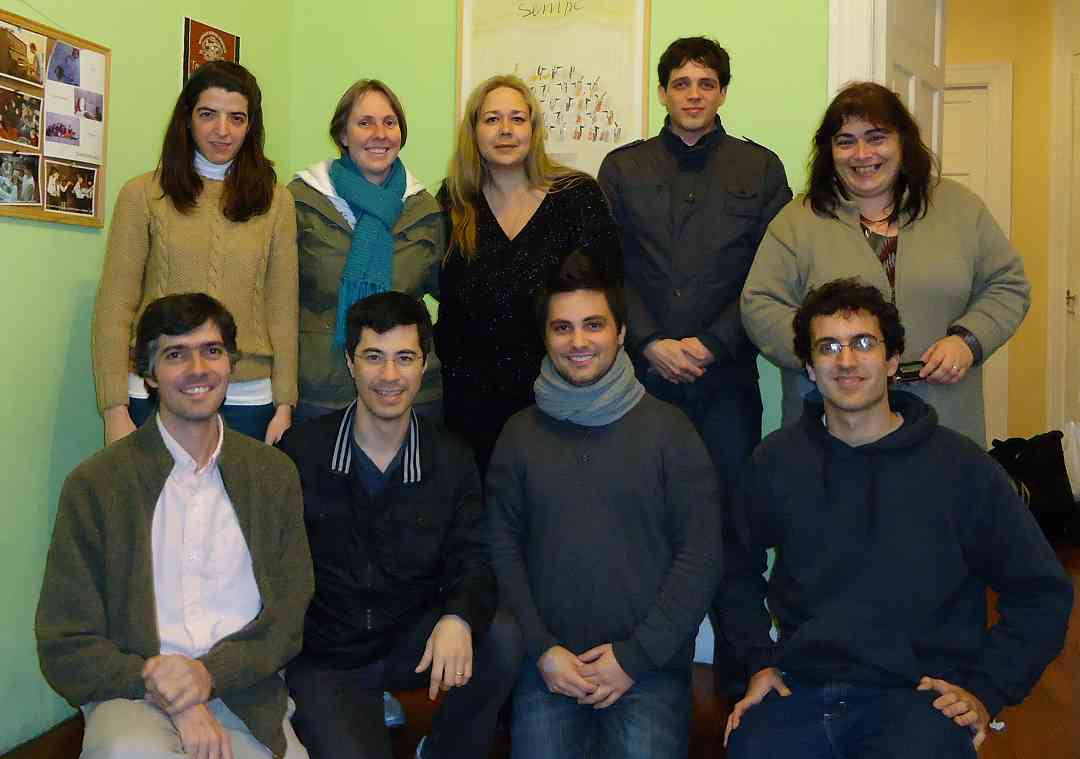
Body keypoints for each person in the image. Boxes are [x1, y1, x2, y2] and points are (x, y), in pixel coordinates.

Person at [720, 278, 1072, 758]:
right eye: (829, 347)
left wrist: (987, 690)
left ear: (891, 361)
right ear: (809, 367)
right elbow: (732, 570)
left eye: (864, 343)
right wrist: (759, 661)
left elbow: (1041, 592)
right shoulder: (776, 462)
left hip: (921, 696)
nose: (846, 360)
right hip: (801, 686)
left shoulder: (960, 467)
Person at [36, 293, 314, 759]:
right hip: (132, 694)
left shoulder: (273, 476)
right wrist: (162, 685)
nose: (197, 368)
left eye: (211, 350)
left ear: (232, 363)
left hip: (244, 690)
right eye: (175, 354)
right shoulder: (97, 485)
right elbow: (65, 642)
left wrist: (209, 677)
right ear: (148, 373)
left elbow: (287, 618)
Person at [487, 251, 721, 758]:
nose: (577, 342)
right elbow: (501, 549)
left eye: (593, 325)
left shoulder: (671, 432)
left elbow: (701, 556)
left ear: (620, 333)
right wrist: (543, 649)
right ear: (545, 338)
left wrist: (635, 657)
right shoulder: (519, 435)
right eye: (562, 328)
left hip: (648, 670)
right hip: (548, 667)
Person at [278, 291, 521, 759]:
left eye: (404, 358)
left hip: (411, 640)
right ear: (350, 363)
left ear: (423, 364)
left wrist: (458, 616)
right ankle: (356, 716)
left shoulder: (451, 457)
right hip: (329, 659)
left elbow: (475, 556)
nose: (389, 376)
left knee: (502, 636)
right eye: (374, 357)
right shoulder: (301, 451)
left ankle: (445, 749)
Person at [741, 81, 1030, 445]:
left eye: (876, 137)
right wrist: (827, 358)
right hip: (830, 420)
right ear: (829, 151)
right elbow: (759, 305)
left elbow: (1008, 284)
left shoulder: (960, 208)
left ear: (903, 143)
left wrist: (968, 341)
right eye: (845, 141)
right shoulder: (797, 220)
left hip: (944, 416)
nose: (862, 154)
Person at [598, 36, 791, 478]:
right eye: (681, 83)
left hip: (728, 377)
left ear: (723, 92)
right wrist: (648, 341)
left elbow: (771, 274)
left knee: (732, 514)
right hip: (642, 373)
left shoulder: (761, 168)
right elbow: (607, 267)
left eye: (706, 83)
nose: (693, 94)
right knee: (644, 507)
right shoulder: (622, 168)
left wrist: (714, 344)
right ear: (662, 92)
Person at [92, 60, 298, 446]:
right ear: (187, 119)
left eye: (236, 118)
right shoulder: (142, 195)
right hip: (156, 391)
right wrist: (114, 409)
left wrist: (285, 403)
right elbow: (114, 305)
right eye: (208, 115)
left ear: (251, 125)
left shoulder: (277, 203)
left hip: (247, 395)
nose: (223, 131)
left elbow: (282, 309)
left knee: (237, 507)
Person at [437, 74, 621, 473]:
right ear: (474, 131)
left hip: (560, 394)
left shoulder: (576, 196)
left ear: (534, 130)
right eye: (492, 119)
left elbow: (610, 292)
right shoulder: (451, 204)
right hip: (470, 403)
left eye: (517, 119)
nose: (505, 130)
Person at [289, 79, 445, 424]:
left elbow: (454, 295)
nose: (380, 133)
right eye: (365, 123)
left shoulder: (425, 209)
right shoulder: (302, 201)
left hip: (411, 394)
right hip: (322, 390)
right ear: (342, 135)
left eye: (390, 123)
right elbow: (276, 300)